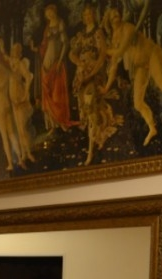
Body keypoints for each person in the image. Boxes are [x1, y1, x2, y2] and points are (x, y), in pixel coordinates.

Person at [101, 6, 162, 146]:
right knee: (138, 103)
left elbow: (120, 51)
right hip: (141, 65)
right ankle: (152, 128)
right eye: (112, 15)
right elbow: (114, 65)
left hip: (152, 54)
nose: (115, 15)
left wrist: (105, 51)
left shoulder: (128, 27)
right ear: (108, 20)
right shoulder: (114, 38)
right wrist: (106, 88)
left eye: (116, 13)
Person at [69, 4, 123, 165]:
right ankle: (94, 142)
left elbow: (102, 56)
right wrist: (79, 63)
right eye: (85, 14)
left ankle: (91, 151)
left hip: (93, 77)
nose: (88, 17)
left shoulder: (98, 33)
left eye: (90, 14)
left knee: (91, 111)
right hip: (81, 77)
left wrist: (92, 73)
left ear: (94, 15)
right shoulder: (81, 35)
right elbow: (71, 54)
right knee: (87, 113)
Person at [36, 4, 74, 133]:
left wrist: (59, 61)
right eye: (47, 13)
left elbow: (65, 44)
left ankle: (61, 121)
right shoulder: (47, 27)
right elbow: (44, 45)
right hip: (46, 64)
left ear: (55, 11)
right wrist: (37, 49)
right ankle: (52, 124)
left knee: (58, 95)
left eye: (50, 12)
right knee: (48, 95)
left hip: (56, 63)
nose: (49, 15)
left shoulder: (60, 23)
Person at [0, 36, 21, 172]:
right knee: (12, 134)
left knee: (4, 136)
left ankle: (10, 163)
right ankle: (19, 158)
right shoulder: (8, 72)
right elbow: (0, 59)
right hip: (7, 104)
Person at [6, 41, 36, 168]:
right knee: (19, 129)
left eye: (15, 50)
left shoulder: (20, 64)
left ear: (19, 53)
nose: (13, 52)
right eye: (12, 50)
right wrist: (0, 45)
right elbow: (4, 56)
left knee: (22, 128)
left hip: (19, 97)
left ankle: (28, 153)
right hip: (14, 100)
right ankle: (24, 154)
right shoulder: (11, 62)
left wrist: (25, 93)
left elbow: (28, 77)